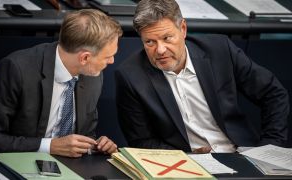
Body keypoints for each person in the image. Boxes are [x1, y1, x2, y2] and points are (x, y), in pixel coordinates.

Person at [115, 0, 290, 153]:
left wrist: (271, 146)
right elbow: (142, 141)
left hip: (241, 153)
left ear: (183, 29)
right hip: (185, 164)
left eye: (167, 38)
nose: (160, 50)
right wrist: (186, 158)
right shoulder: (130, 76)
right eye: (150, 42)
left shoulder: (220, 50)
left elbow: (273, 94)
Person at [0, 9, 123, 157]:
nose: (111, 61)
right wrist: (50, 146)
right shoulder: (16, 69)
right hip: (20, 162)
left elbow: (84, 134)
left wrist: (95, 146)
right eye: (107, 57)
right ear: (84, 58)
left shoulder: (92, 75)